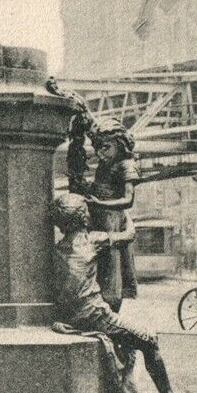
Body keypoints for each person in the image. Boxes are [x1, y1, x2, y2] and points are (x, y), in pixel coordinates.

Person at [50, 192, 186, 393]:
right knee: (149, 340)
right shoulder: (93, 239)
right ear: (82, 216)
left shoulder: (57, 249)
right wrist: (124, 214)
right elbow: (129, 235)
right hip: (96, 314)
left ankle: (129, 388)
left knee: (128, 342)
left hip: (73, 315)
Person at [68, 114, 140, 307]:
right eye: (97, 148)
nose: (100, 153)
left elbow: (128, 200)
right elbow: (101, 186)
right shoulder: (104, 166)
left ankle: (110, 304)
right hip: (97, 218)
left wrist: (99, 202)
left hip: (112, 221)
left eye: (106, 147)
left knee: (111, 267)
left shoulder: (127, 165)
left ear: (120, 144)